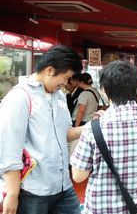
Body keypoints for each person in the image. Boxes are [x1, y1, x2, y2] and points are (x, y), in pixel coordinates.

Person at [71, 60, 137, 213]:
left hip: (102, 209)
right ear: (135, 87)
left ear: (105, 90)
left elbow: (78, 175)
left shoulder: (94, 128)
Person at [0, 45, 83, 214]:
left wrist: (94, 126)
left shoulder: (58, 96)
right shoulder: (19, 98)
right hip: (33, 190)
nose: (66, 84)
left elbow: (66, 133)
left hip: (62, 185)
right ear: (50, 70)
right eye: (66, 77)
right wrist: (12, 194)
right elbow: (9, 149)